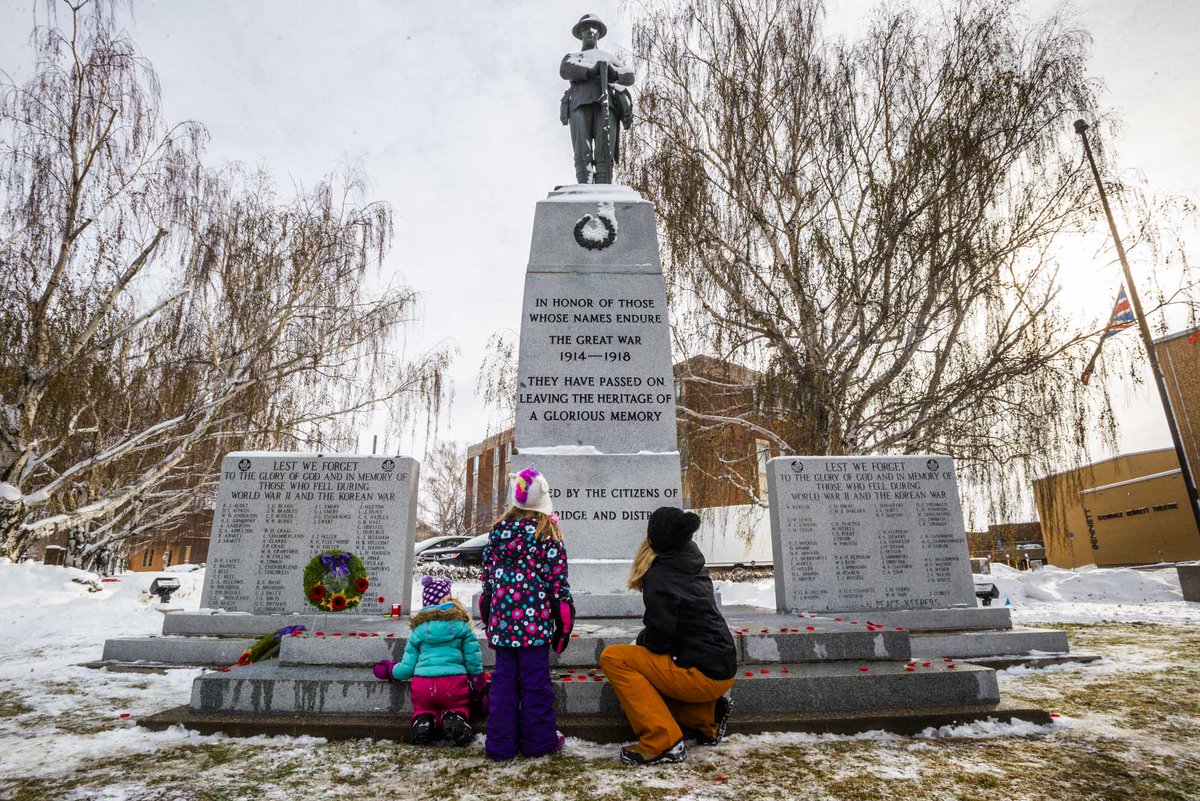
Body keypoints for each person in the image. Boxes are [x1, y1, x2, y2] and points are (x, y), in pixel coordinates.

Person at [599, 507, 738, 766]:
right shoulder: (690, 559)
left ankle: (663, 742)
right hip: (721, 666)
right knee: (652, 668)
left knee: (615, 658)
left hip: (702, 673)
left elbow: (660, 640)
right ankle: (706, 717)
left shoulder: (660, 576)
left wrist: (638, 643)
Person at [479, 466, 575, 760]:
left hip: (504, 626)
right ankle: (538, 742)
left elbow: (489, 583)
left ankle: (500, 745)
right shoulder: (547, 536)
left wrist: (490, 622)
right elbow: (558, 586)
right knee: (535, 686)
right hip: (535, 630)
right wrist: (564, 625)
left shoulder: (497, 533)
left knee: (503, 685)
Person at [371, 576, 485, 746]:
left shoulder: (418, 631)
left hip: (423, 686)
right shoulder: (461, 627)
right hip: (452, 685)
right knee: (456, 707)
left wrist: (389, 670)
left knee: (424, 709)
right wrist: (478, 683)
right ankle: (454, 719)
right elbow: (473, 660)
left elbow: (407, 668)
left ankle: (423, 722)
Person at [560, 13, 635, 184]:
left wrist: (612, 72)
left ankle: (603, 186)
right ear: (580, 34)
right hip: (580, 103)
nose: (591, 31)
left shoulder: (608, 57)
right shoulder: (572, 57)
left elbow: (629, 76)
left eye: (594, 28)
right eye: (586, 28)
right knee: (582, 150)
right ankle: (584, 185)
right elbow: (564, 70)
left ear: (599, 34)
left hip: (606, 106)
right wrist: (592, 70)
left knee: (604, 151)